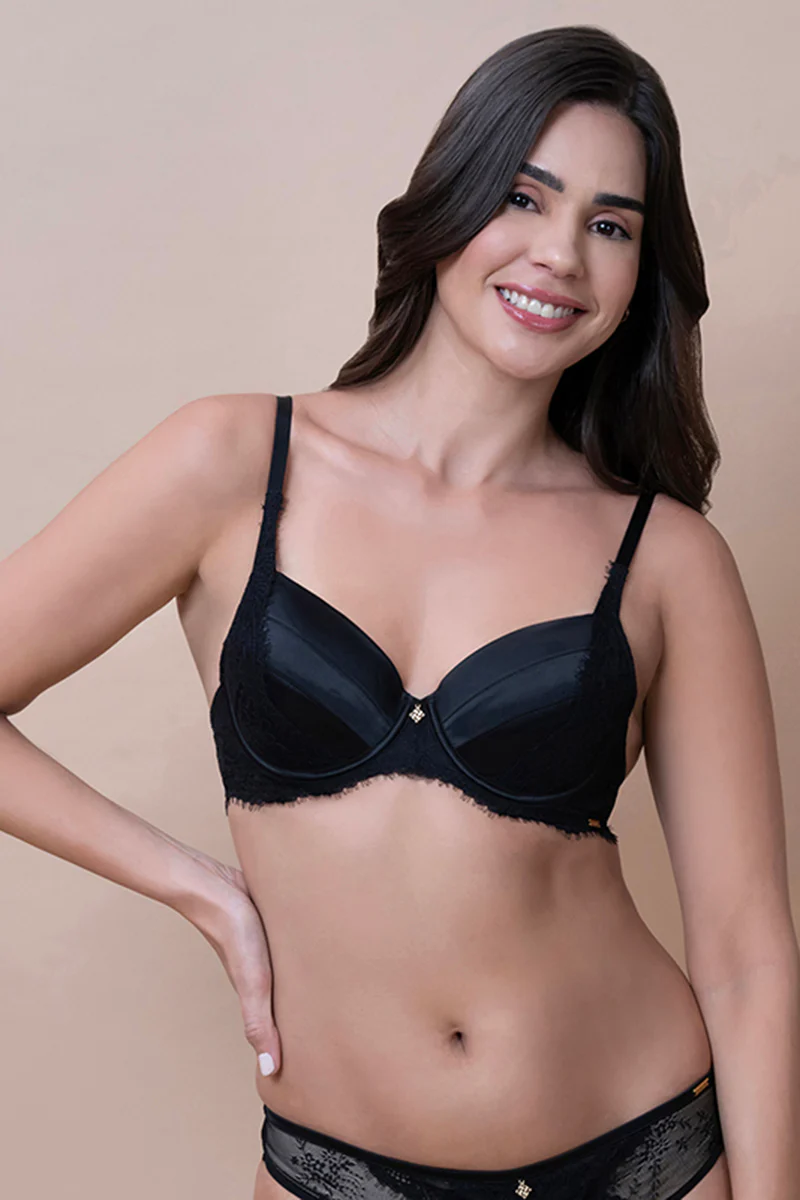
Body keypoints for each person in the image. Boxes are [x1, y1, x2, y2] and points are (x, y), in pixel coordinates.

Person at [1, 21, 797, 1200]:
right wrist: (197, 886)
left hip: (638, 1154)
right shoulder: (234, 463)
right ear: (448, 202)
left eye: (610, 225)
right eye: (522, 197)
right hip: (338, 1169)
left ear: (641, 274)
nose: (558, 255)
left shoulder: (665, 558)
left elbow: (742, 952)